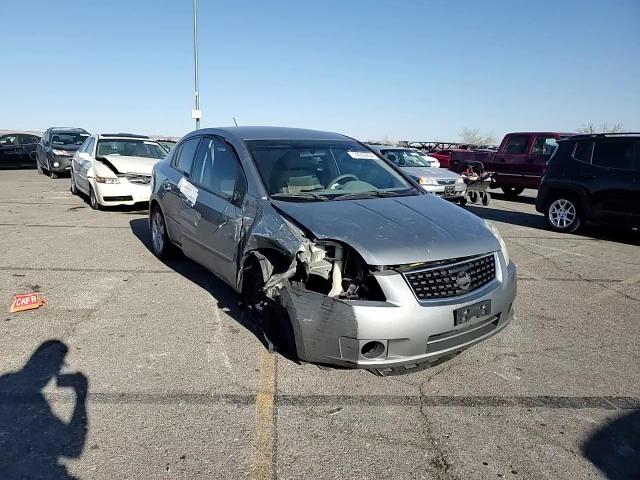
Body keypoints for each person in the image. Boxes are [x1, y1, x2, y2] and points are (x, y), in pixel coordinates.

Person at [0, 340, 88, 479]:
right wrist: (81, 396)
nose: (56, 372)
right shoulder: (28, 397)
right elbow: (72, 448)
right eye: (56, 366)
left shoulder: (10, 384)